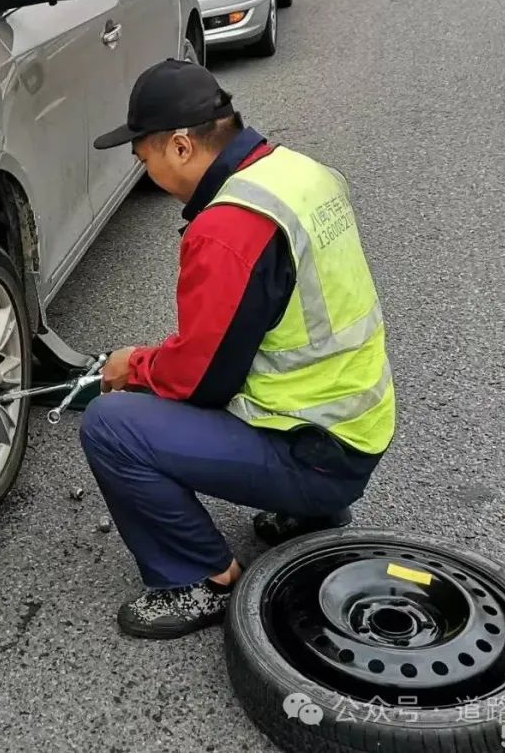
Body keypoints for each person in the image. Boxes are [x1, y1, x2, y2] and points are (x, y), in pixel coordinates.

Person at [79, 59, 396, 640]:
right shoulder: (297, 172)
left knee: (110, 427)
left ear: (179, 146)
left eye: (141, 156)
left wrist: (133, 367)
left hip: (316, 451)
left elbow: (200, 382)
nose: (142, 169)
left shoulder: (229, 229)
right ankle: (312, 513)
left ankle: (201, 576)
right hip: (358, 425)